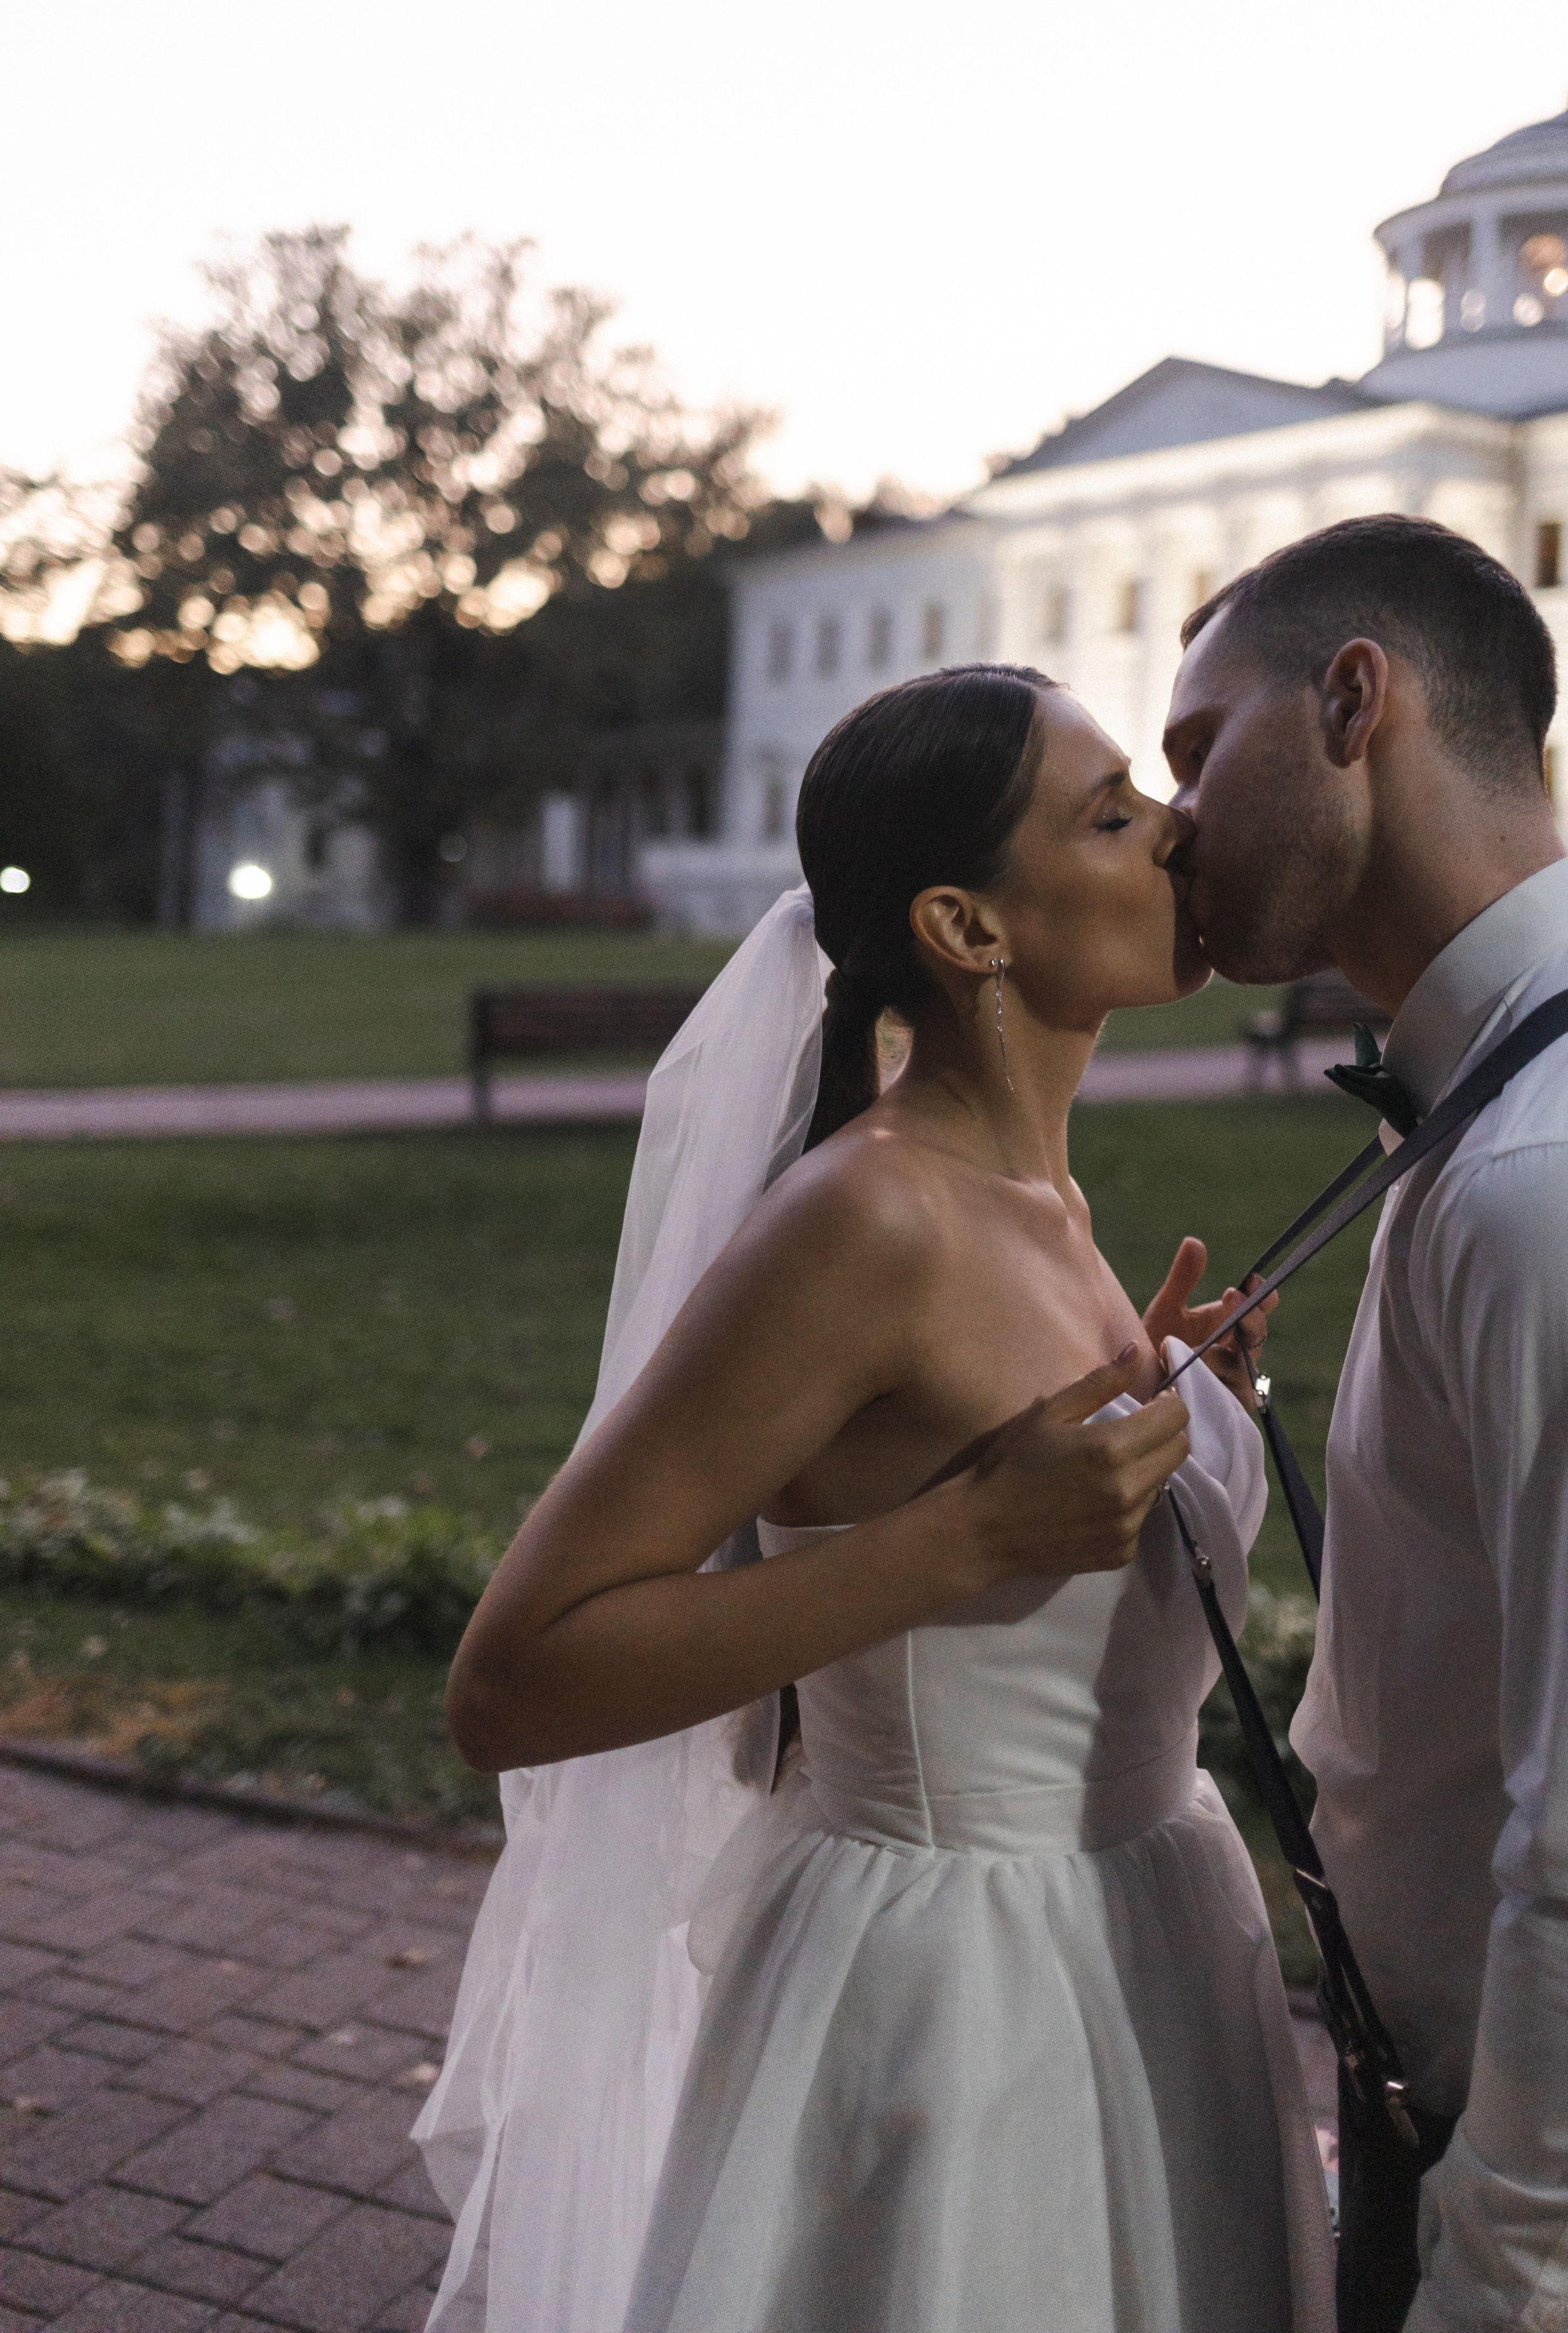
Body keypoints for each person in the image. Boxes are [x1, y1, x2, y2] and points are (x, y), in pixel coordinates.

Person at [415, 663, 1334, 2333]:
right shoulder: (865, 1222)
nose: (1175, 834)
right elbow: (514, 1678)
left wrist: (1185, 1411)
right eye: (1113, 813)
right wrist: (962, 1541)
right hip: (949, 1992)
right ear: (967, 929)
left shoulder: (1041, 1196)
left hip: (1147, 1934)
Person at [1161, 513, 1568, 2333]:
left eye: (1198, 748)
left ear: (1353, 702)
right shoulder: (1558, 1090)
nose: (1175, 820)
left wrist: (1493, 2293)